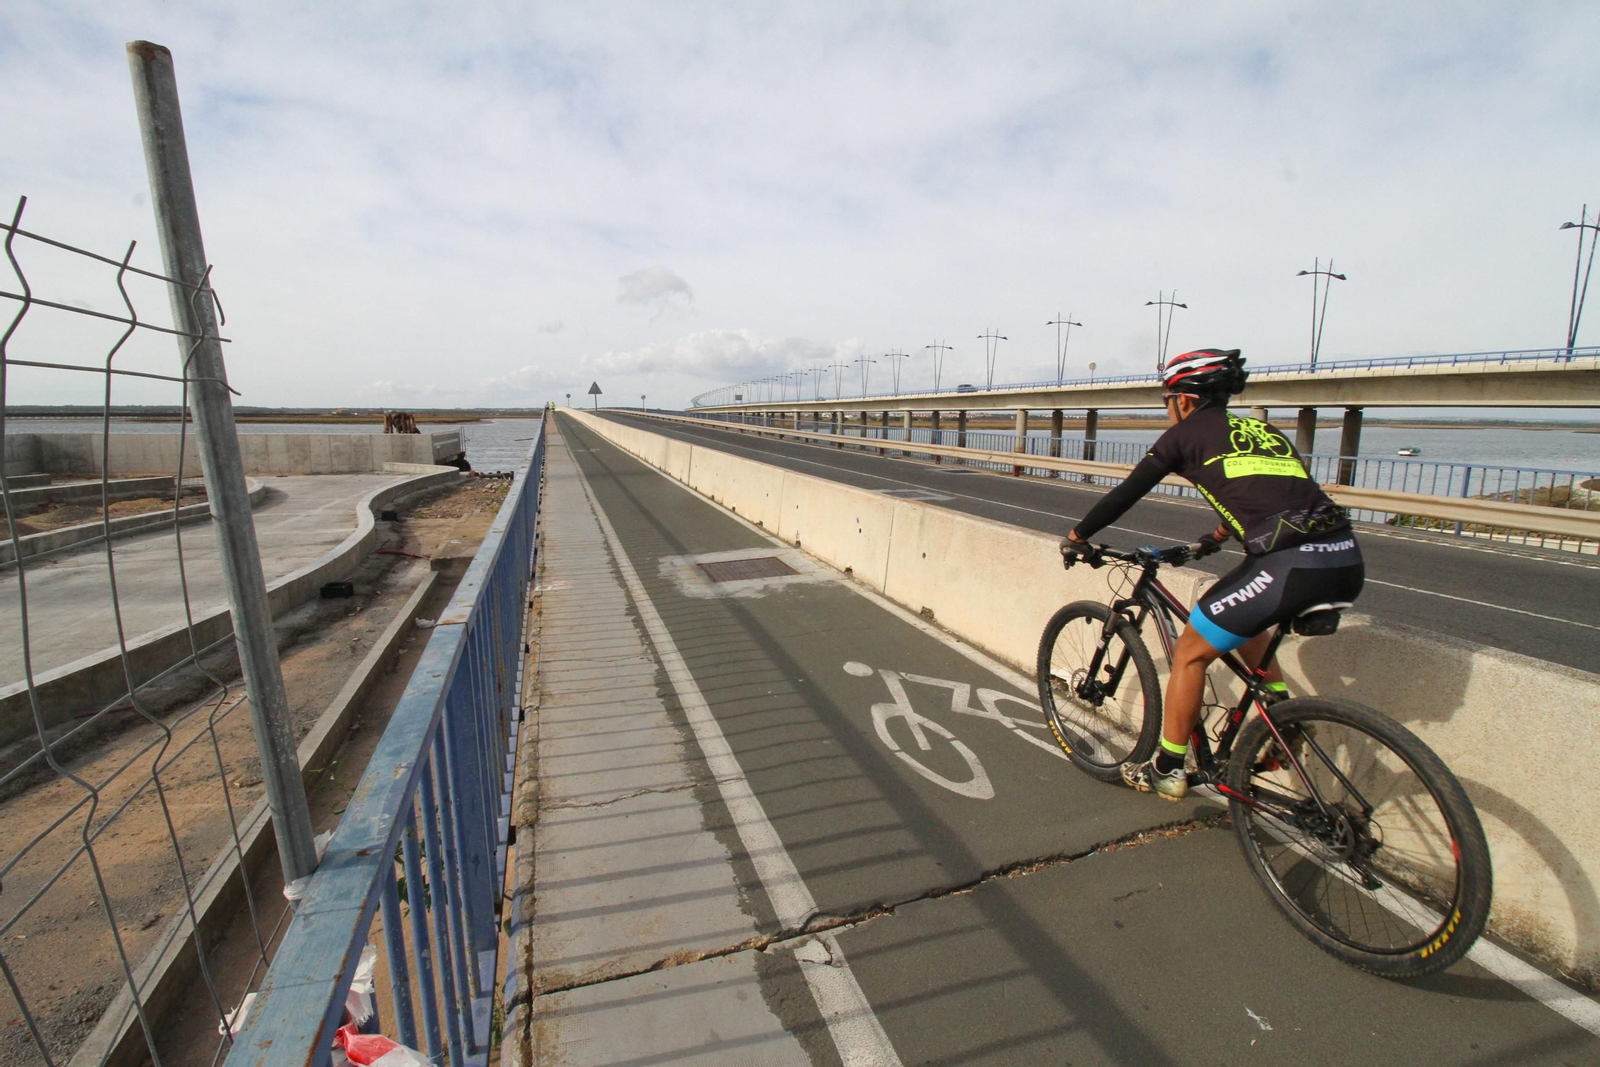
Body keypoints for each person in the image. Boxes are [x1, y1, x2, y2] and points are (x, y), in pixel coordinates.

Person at [1060, 349, 1364, 800]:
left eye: (1166, 399)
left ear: (1183, 399)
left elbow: (1126, 494)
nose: (1168, 408)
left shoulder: (1182, 435)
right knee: (1244, 620)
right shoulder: (1265, 432)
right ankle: (1281, 713)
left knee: (1190, 652)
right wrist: (1216, 537)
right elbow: (1271, 493)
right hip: (1345, 559)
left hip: (1289, 564)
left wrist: (1077, 536)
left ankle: (1167, 768)